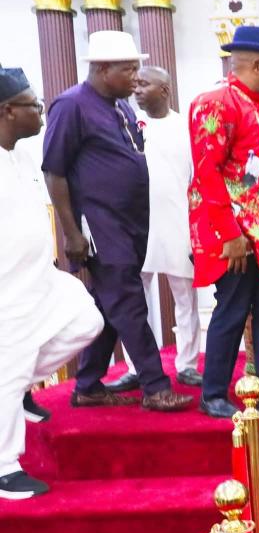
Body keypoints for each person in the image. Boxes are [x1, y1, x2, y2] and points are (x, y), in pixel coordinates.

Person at [42, 30, 191, 412]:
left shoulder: (120, 105)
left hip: (131, 225)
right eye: (128, 70)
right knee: (128, 302)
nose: (134, 78)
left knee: (111, 307)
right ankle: (156, 387)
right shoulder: (71, 105)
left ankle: (89, 384)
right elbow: (55, 172)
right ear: (103, 69)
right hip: (100, 226)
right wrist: (71, 233)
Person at [0, 68, 104, 499]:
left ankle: (22, 387)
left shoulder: (21, 153)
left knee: (86, 320)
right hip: (8, 292)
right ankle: (5, 469)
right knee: (9, 367)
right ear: (7, 111)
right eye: (33, 105)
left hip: (40, 279)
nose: (41, 111)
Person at [188, 25, 259, 418]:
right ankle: (214, 393)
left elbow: (254, 172)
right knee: (232, 311)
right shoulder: (218, 102)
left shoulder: (258, 107)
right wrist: (229, 234)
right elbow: (208, 173)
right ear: (255, 64)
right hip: (236, 236)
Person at [106, 66, 202, 392]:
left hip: (177, 224)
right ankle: (138, 366)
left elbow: (196, 181)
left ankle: (187, 364)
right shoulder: (129, 125)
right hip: (137, 227)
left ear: (164, 90)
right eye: (135, 84)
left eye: (144, 84)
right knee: (137, 300)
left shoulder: (186, 128)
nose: (137, 89)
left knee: (185, 298)